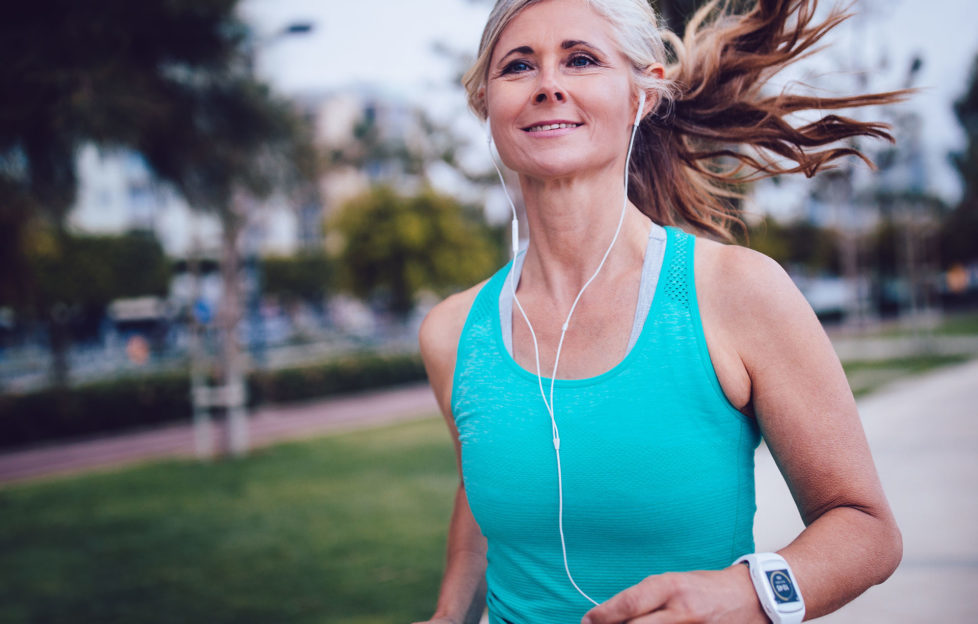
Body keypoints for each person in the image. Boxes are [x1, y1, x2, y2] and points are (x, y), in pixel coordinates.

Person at [416, 0, 904, 622]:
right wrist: (447, 614)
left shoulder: (736, 293)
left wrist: (748, 592)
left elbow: (866, 528)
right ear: (488, 103)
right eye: (518, 66)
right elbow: (483, 495)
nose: (549, 86)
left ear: (641, 96)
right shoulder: (452, 333)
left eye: (581, 59)